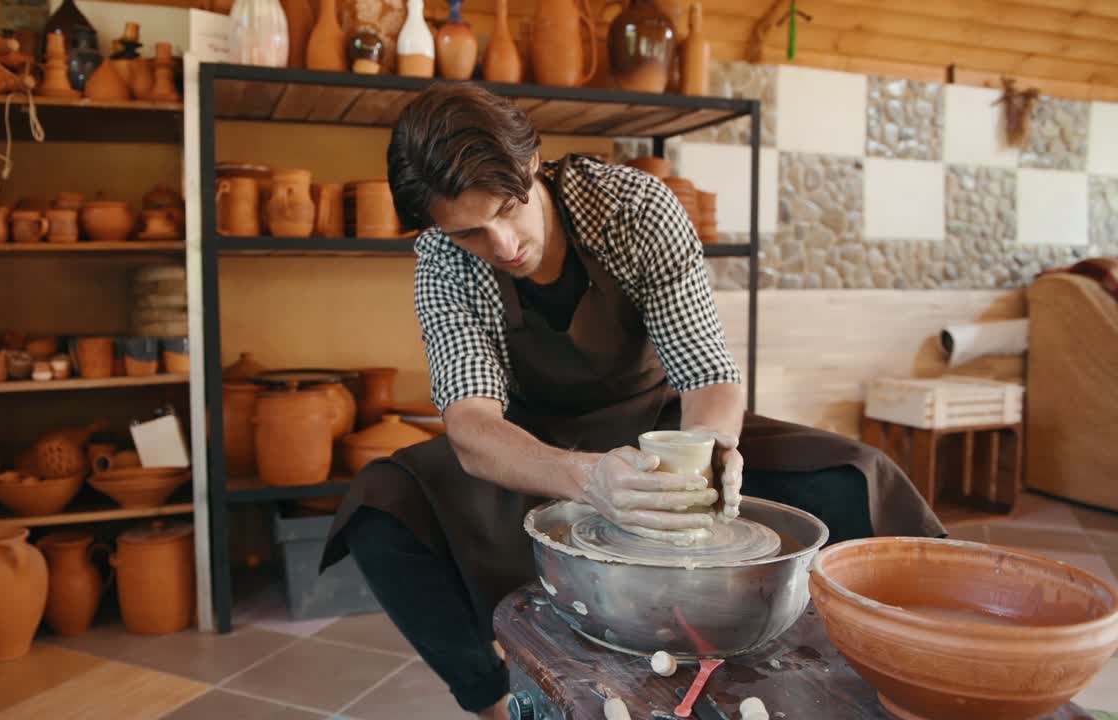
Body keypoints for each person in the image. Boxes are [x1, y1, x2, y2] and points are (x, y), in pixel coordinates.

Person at [320, 83, 944, 719]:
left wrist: (710, 457)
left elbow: (708, 373)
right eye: (471, 233)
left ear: (533, 164)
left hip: (660, 427)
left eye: (510, 208)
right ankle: (501, 704)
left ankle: (917, 670)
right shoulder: (442, 262)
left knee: (853, 478)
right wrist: (586, 478)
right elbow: (475, 426)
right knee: (381, 510)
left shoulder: (634, 207)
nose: (503, 244)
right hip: (535, 447)